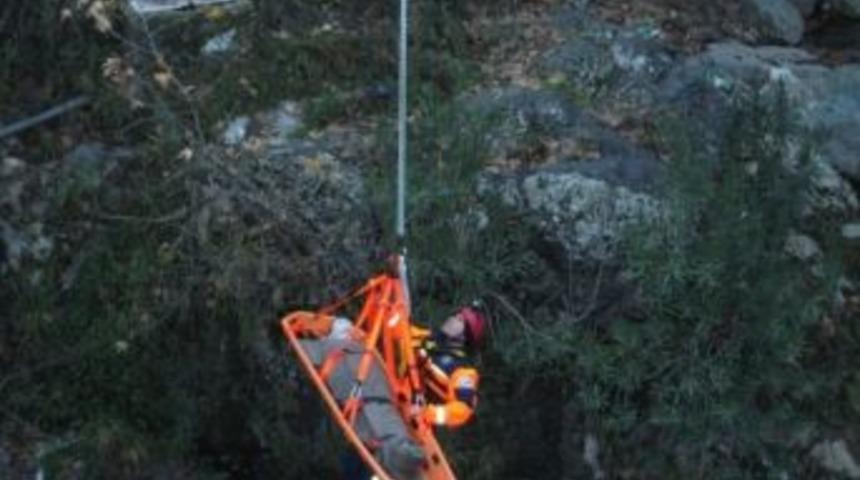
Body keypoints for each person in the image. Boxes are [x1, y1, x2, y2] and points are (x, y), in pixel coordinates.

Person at [413, 305, 486, 429]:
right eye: (455, 315)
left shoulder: (463, 371)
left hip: (412, 421)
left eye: (460, 320)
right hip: (392, 386)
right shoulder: (429, 340)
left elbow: (462, 409)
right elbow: (402, 329)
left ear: (464, 335)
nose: (453, 318)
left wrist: (427, 413)